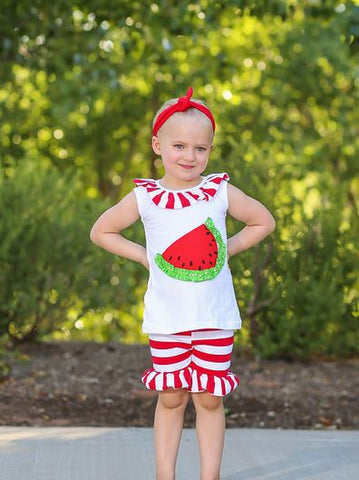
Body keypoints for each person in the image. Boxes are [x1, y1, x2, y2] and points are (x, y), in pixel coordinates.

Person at [90, 87, 276, 480]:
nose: (190, 156)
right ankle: (165, 475)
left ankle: (210, 476)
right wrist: (144, 256)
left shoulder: (219, 191)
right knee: (171, 397)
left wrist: (226, 248)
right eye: (179, 146)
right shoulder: (146, 197)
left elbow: (263, 221)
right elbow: (101, 231)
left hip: (215, 317)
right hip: (167, 320)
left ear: (209, 150)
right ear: (157, 146)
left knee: (209, 399)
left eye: (200, 148)